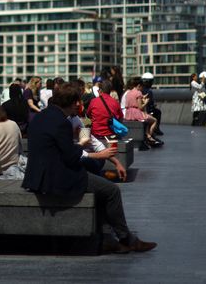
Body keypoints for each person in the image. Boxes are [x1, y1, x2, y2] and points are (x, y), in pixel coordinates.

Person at [22, 82, 156, 254]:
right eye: (77, 101)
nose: (80, 104)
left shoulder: (40, 117)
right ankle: (127, 239)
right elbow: (71, 156)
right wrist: (83, 146)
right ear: (71, 102)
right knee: (111, 190)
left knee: (100, 187)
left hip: (37, 177)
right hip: (56, 178)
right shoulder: (61, 123)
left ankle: (108, 239)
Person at [85, 80, 128, 178]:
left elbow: (88, 115)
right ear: (110, 91)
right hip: (111, 134)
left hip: (96, 134)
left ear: (100, 90)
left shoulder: (93, 101)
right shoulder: (115, 102)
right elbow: (120, 118)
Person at [124, 77, 162, 147]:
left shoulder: (128, 93)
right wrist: (146, 102)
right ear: (139, 86)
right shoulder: (138, 93)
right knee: (154, 120)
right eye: (142, 87)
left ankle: (147, 135)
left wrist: (142, 98)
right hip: (136, 113)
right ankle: (149, 137)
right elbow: (140, 107)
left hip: (128, 113)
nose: (142, 89)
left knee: (147, 121)